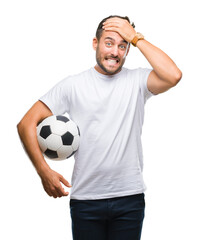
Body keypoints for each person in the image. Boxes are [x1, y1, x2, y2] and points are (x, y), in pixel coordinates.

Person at [17, 15, 182, 240]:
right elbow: (26, 123)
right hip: (85, 201)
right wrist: (43, 171)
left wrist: (136, 38)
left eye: (122, 45)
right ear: (95, 44)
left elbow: (173, 75)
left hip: (129, 199)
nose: (115, 51)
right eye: (109, 43)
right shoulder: (73, 85)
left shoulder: (138, 82)